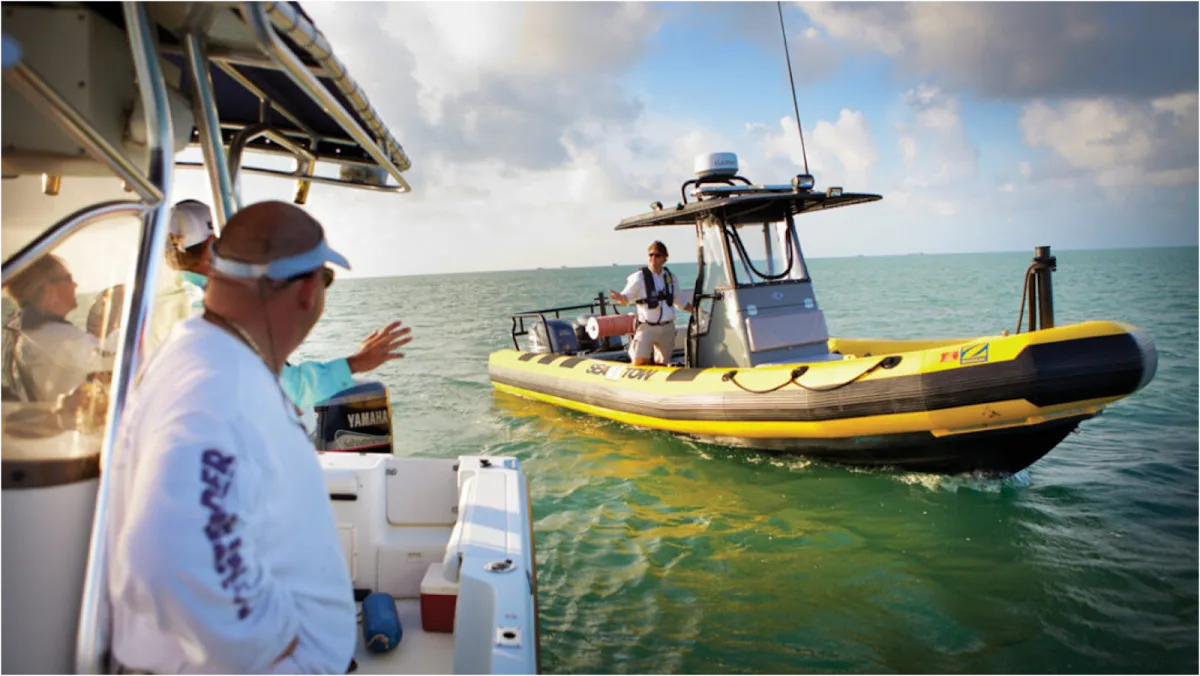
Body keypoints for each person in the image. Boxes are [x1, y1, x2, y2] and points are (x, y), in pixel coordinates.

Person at [107, 201, 357, 674]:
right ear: (307, 291)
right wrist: (278, 643)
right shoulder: (217, 387)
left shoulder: (204, 352)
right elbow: (167, 551)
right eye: (323, 279)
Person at [153, 199, 412, 410]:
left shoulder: (155, 303)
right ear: (211, 247)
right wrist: (356, 362)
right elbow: (287, 389)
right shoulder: (215, 315)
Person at [1, 254, 112, 402]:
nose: (75, 285)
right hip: (59, 422)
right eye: (68, 279)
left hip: (41, 418)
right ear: (49, 290)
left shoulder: (15, 328)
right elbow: (119, 356)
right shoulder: (58, 336)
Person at [608, 240, 692, 366]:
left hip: (667, 328)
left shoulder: (671, 278)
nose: (653, 258)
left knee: (663, 364)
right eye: (650, 255)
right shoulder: (639, 277)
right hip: (647, 327)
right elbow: (626, 297)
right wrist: (620, 298)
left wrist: (697, 311)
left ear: (664, 259)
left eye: (657, 255)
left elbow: (680, 302)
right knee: (640, 362)